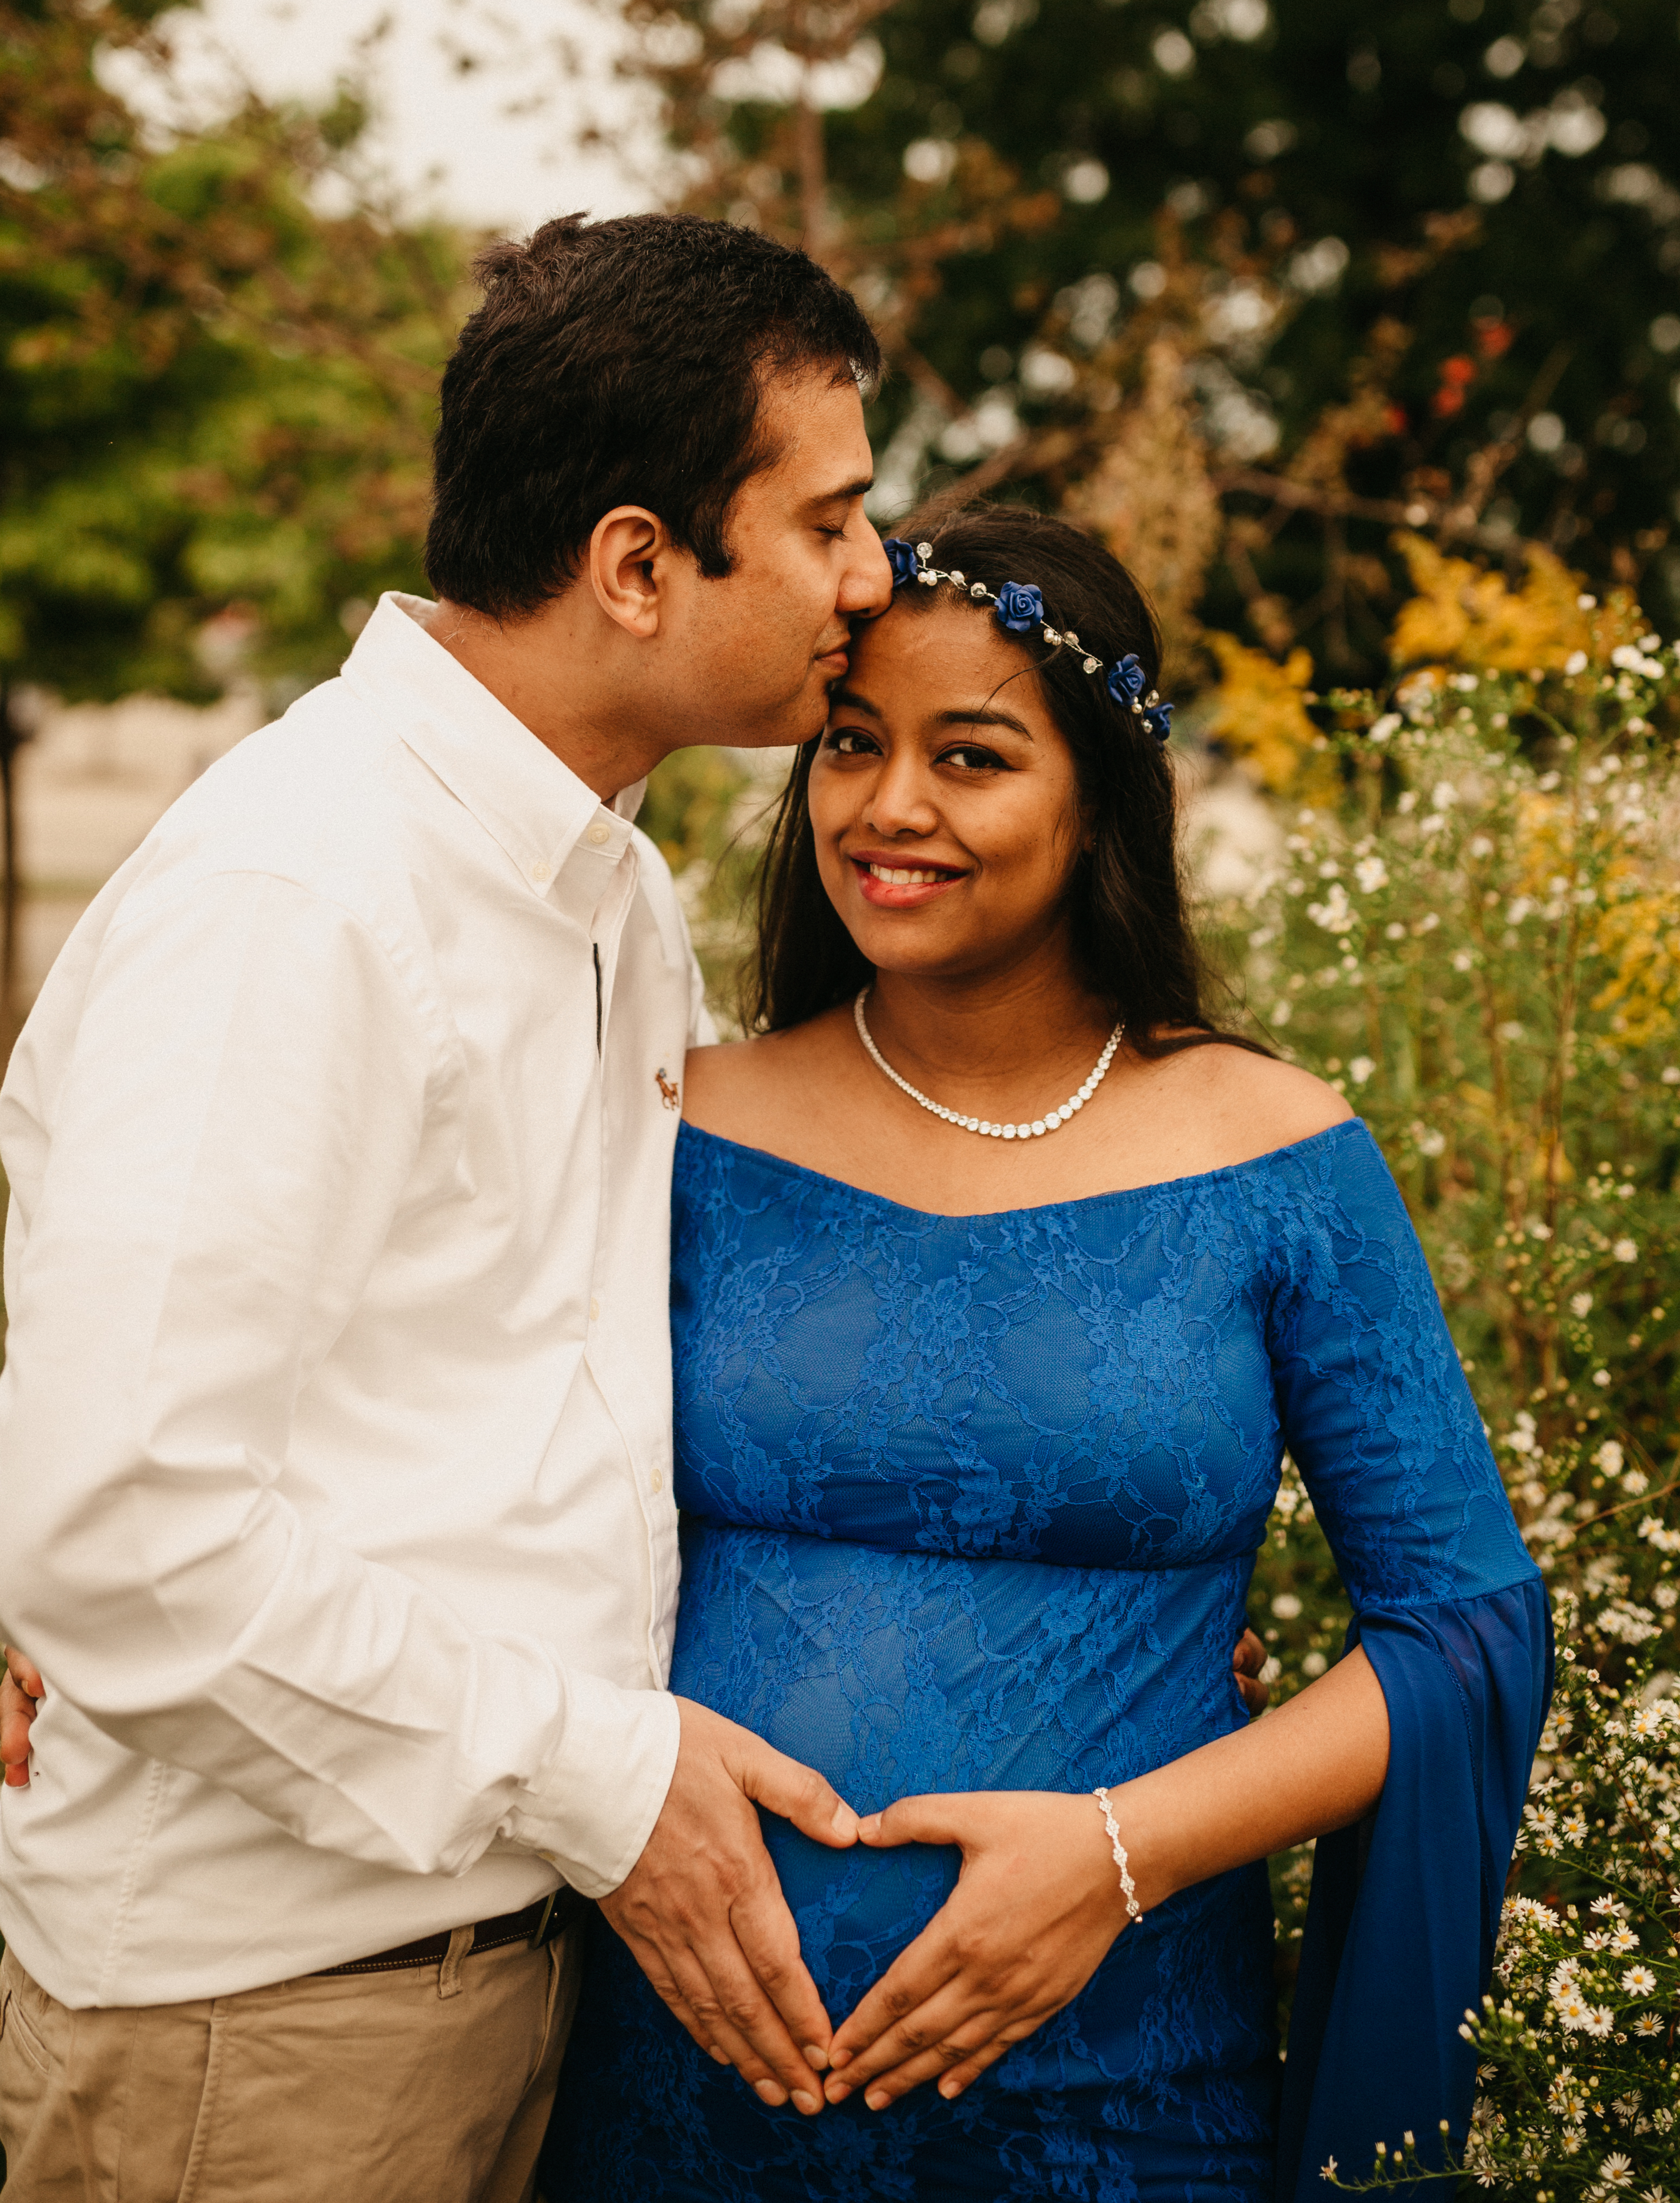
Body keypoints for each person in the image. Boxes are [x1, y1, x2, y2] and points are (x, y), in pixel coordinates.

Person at [0, 211, 898, 2202]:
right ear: (642, 564)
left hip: (501, 1978)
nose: (873, 574)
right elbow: (121, 1532)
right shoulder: (296, 898)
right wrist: (610, 1776)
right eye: (831, 518)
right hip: (265, 2026)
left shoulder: (612, 896)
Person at [542, 506, 1551, 2203]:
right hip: (684, 2080)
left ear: (1101, 799)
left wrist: (1114, 1854)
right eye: (853, 744)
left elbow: (1463, 1630)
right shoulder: (680, 1125)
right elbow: (435, 1427)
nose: (892, 806)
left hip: (1124, 2097)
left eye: (975, 755)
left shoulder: (1276, 1162)